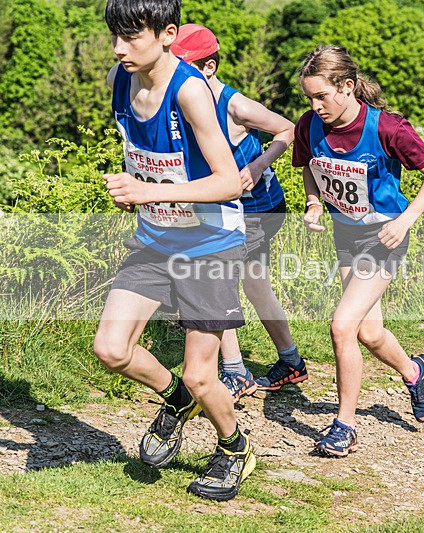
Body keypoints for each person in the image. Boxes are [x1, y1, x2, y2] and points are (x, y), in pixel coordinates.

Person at [94, 0, 254, 501]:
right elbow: (148, 158)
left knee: (204, 376)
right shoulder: (123, 77)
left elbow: (229, 182)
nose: (120, 49)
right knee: (112, 349)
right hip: (154, 238)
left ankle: (234, 448)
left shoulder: (191, 92)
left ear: (167, 33)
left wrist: (150, 192)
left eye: (131, 37)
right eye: (114, 36)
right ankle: (176, 400)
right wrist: (134, 188)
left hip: (209, 244)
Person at [294, 45, 424, 456]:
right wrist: (313, 203)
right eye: (309, 97)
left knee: (342, 326)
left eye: (322, 96)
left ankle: (344, 426)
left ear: (346, 87)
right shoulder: (308, 126)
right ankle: (415, 371)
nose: (315, 105)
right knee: (368, 331)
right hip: (346, 237)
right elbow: (310, 168)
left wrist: (405, 220)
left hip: (385, 238)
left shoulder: (388, 129)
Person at [170, 24, 307, 401]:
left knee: (217, 280)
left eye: (184, 64)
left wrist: (259, 164)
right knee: (253, 283)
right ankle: (290, 360)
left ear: (209, 67)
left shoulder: (235, 105)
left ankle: (235, 371)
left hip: (257, 208)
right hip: (219, 209)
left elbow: (288, 129)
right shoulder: (178, 100)